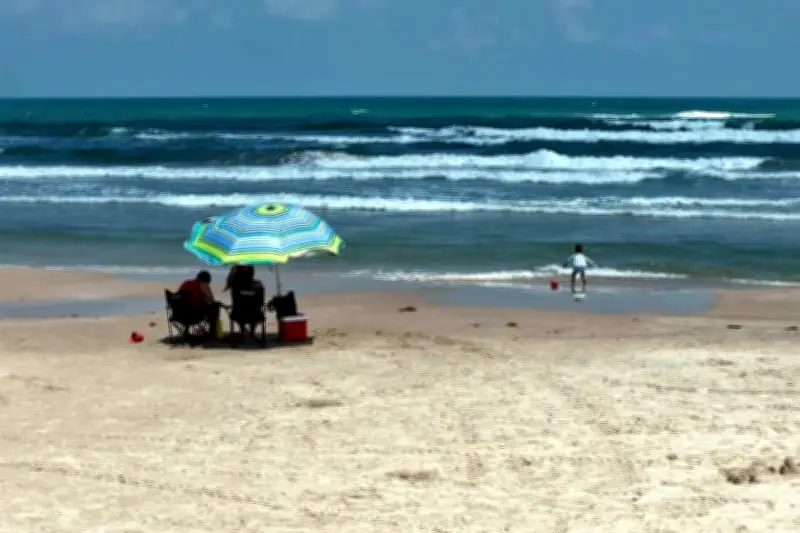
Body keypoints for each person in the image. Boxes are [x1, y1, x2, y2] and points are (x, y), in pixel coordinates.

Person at [178, 270, 220, 336]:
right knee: (215, 308)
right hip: (195, 315)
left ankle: (186, 331)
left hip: (179, 314)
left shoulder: (186, 283)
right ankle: (212, 333)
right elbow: (211, 300)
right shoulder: (203, 285)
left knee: (187, 307)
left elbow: (178, 297)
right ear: (206, 280)